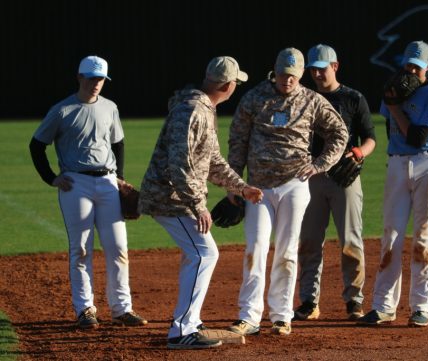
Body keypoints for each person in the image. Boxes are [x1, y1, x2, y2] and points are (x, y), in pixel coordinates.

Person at [139, 56, 263, 349]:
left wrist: (241, 187)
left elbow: (212, 161)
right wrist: (198, 204)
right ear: (228, 85)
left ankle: (189, 321)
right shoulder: (193, 109)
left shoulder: (203, 108)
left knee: (197, 254)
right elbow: (180, 163)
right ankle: (182, 330)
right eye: (236, 83)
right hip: (170, 197)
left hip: (176, 196)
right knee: (205, 254)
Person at [226, 47, 348, 336]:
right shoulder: (255, 97)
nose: (288, 80)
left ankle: (282, 315)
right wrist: (235, 183)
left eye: (293, 75)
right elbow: (237, 139)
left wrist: (320, 164)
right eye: (283, 74)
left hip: (294, 185)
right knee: (255, 249)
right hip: (258, 187)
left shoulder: (311, 100)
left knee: (287, 250)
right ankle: (249, 316)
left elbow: (339, 133)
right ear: (275, 70)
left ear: (301, 74)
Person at [29, 55, 147, 329]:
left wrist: (119, 177)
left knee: (118, 247)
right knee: (80, 249)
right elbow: (36, 145)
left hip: (107, 182)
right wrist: (51, 178)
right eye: (92, 78)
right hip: (75, 184)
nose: (96, 83)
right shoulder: (62, 110)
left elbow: (118, 143)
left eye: (101, 79)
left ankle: (121, 310)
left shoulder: (110, 107)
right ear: (79, 77)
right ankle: (85, 310)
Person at [357, 40, 428, 327]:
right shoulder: (393, 85)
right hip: (397, 162)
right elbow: (392, 132)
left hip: (427, 163)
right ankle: (383, 306)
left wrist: (395, 106)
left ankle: (421, 307)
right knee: (391, 236)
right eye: (408, 63)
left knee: (423, 236)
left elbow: (416, 137)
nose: (411, 69)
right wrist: (392, 102)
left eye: (417, 66)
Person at [294, 44, 376, 321]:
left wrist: (358, 153)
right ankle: (308, 300)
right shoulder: (301, 98)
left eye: (322, 68)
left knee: (350, 240)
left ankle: (354, 300)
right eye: (313, 69)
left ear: (335, 66)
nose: (317, 73)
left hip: (344, 177)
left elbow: (370, 138)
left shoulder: (353, 98)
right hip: (310, 178)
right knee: (308, 241)